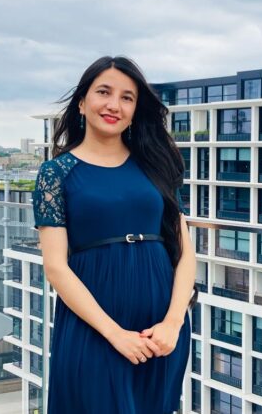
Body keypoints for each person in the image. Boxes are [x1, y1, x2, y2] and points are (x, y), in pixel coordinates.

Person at [33, 56, 197, 413]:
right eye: (103, 92)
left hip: (160, 334)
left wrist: (173, 322)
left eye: (127, 97)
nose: (114, 105)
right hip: (94, 330)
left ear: (136, 110)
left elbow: (186, 253)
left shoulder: (157, 165)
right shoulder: (55, 174)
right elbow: (56, 267)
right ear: (81, 102)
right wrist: (115, 334)